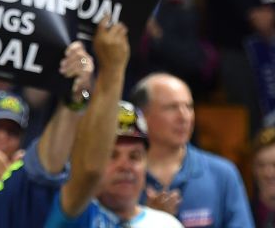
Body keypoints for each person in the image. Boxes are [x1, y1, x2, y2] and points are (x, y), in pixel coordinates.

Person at [44, 22, 183, 228]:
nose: (125, 166)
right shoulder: (67, 216)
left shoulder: (167, 224)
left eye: (135, 156)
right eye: (111, 155)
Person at [130, 73, 253, 227]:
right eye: (171, 107)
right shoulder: (123, 173)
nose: (184, 117)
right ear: (142, 115)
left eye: (189, 106)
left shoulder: (222, 173)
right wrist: (146, 221)